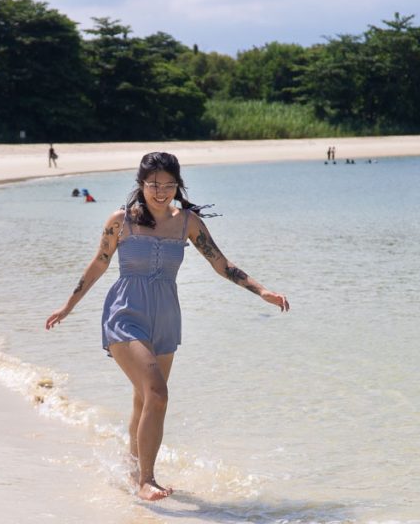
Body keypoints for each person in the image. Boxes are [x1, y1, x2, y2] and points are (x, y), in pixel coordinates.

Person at [45, 152, 289, 502]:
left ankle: (130, 469)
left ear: (178, 184)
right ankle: (147, 480)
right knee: (157, 394)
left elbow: (221, 264)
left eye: (168, 185)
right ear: (141, 184)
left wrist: (262, 290)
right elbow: (99, 264)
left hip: (166, 319)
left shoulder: (187, 221)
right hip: (125, 314)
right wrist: (68, 306)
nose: (160, 192)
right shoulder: (121, 221)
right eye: (153, 185)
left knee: (143, 398)